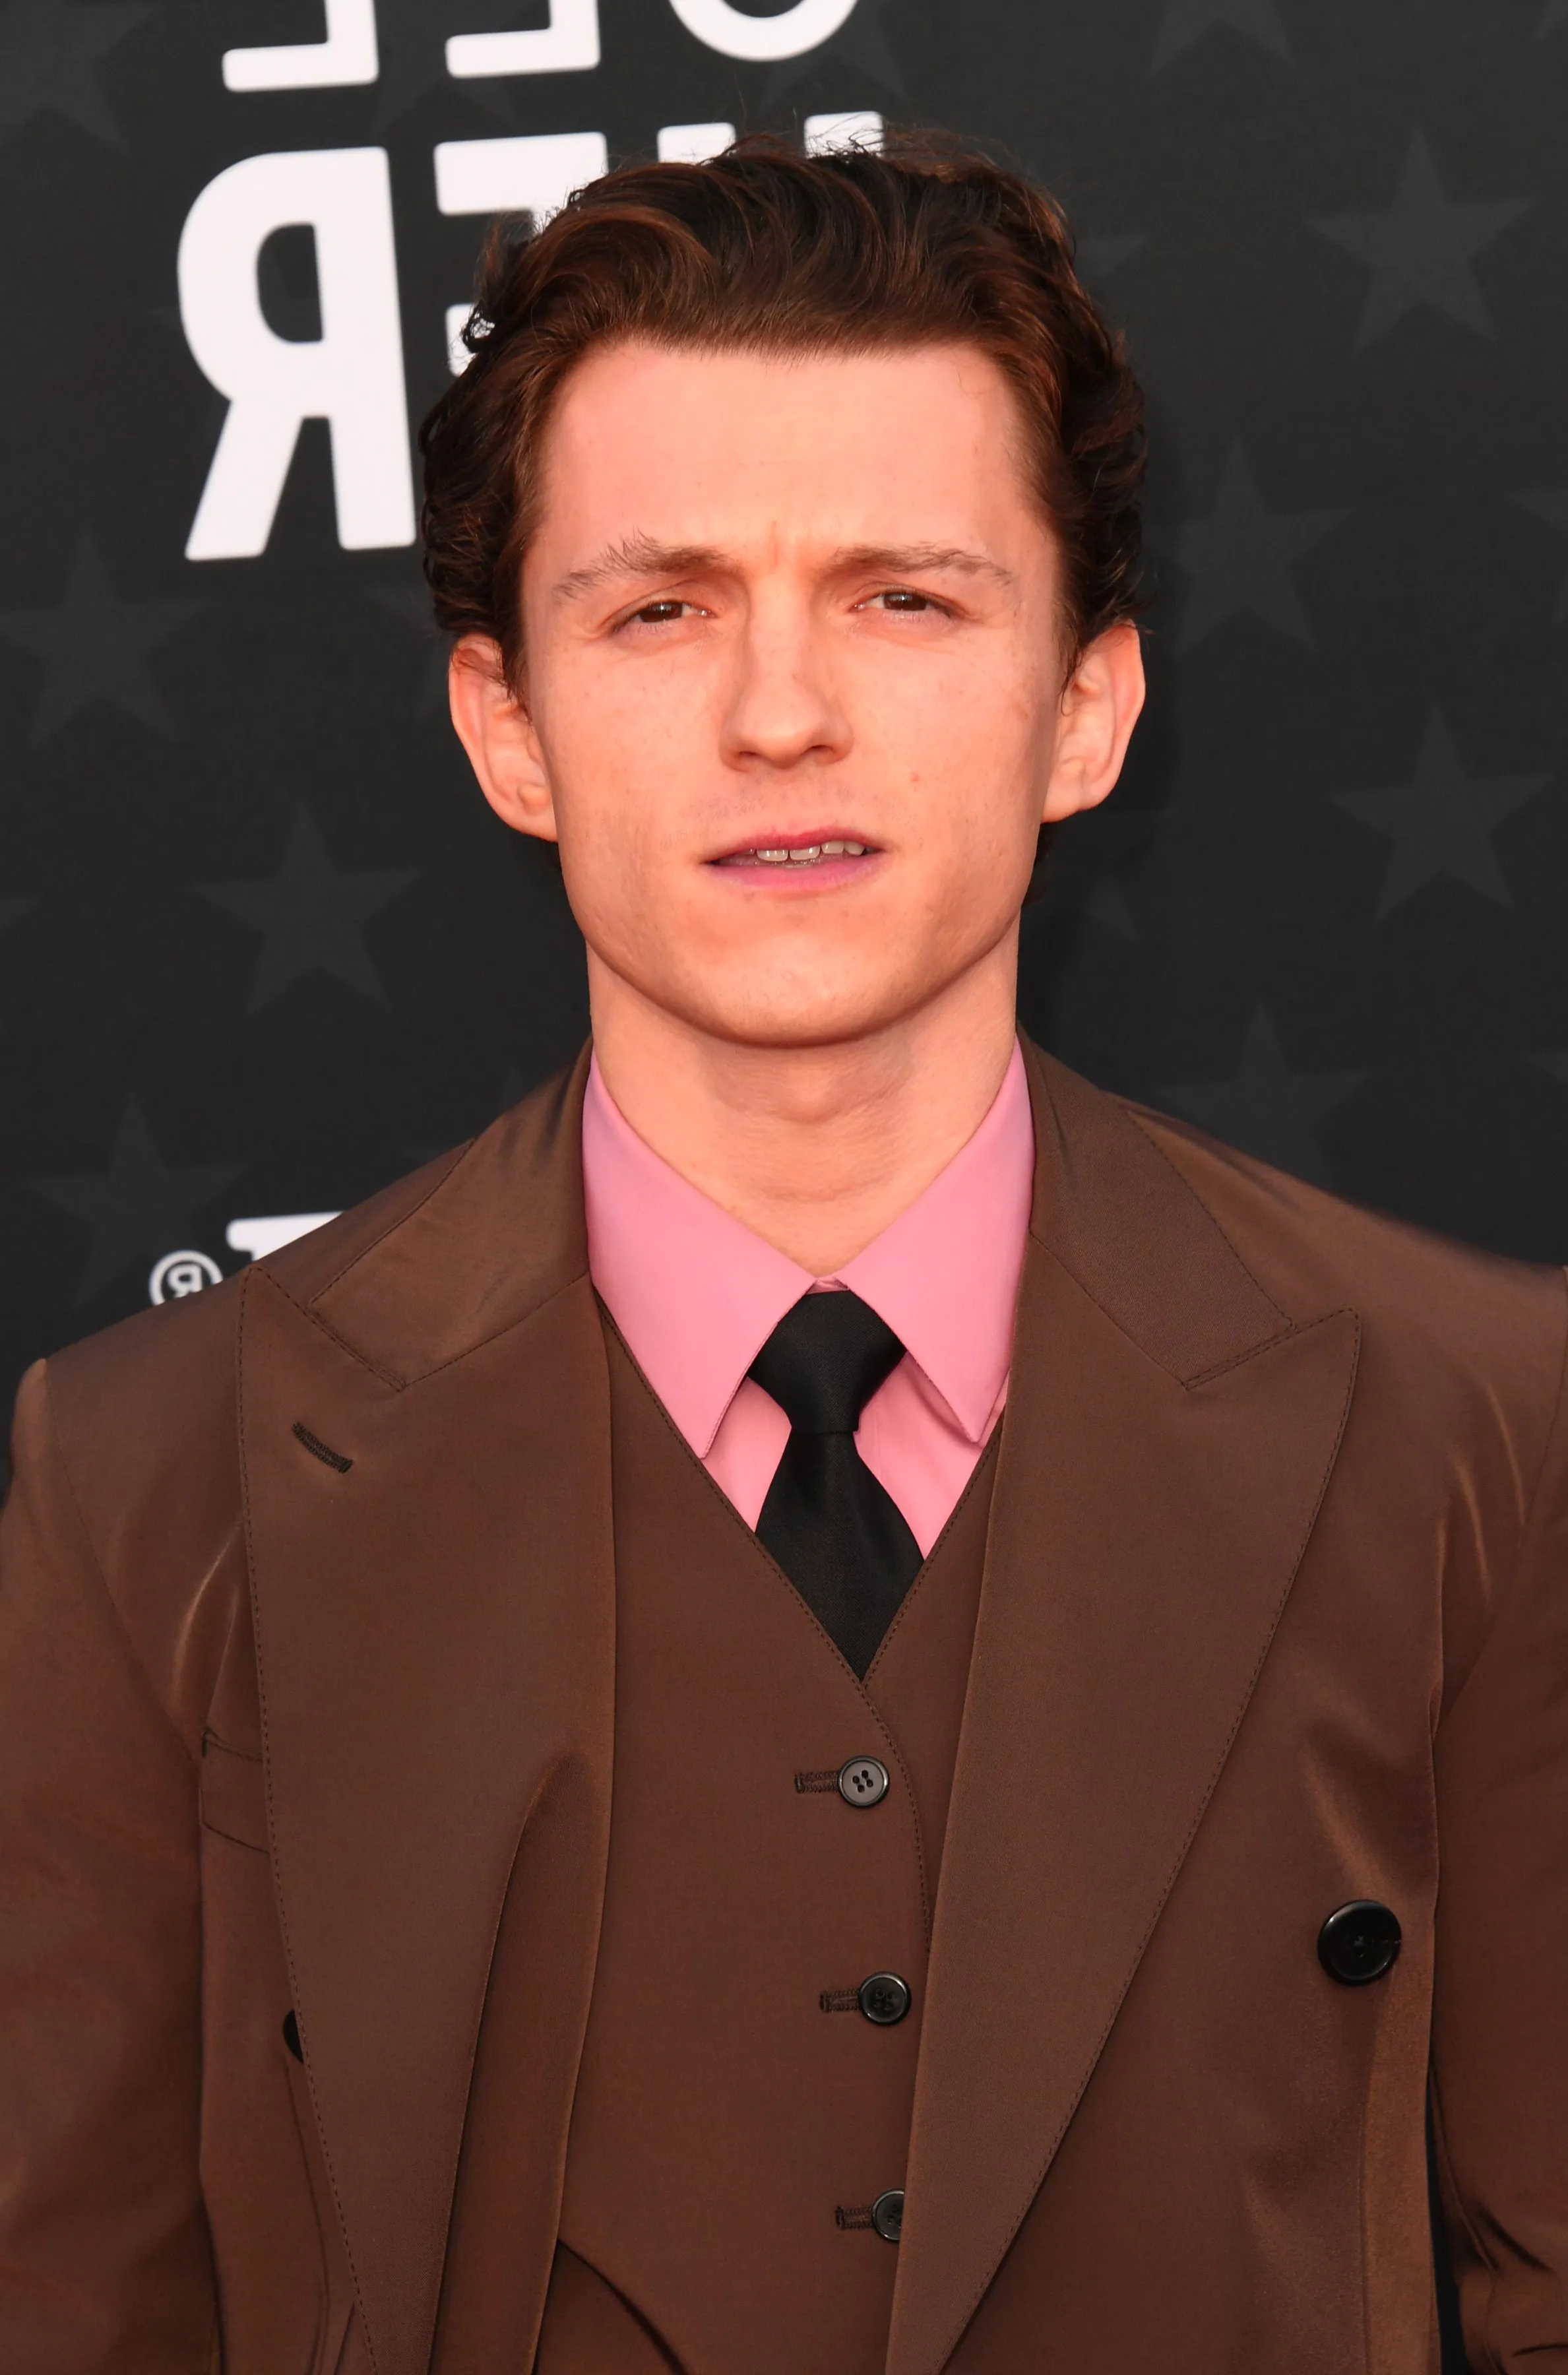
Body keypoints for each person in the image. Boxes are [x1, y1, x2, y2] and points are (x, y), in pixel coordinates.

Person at [1, 133, 1563, 2375]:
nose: (777, 714)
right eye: (662, 608)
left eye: (902, 597)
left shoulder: (1483, 1425)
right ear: (503, 728)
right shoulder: (152, 1472)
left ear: (1090, 707)